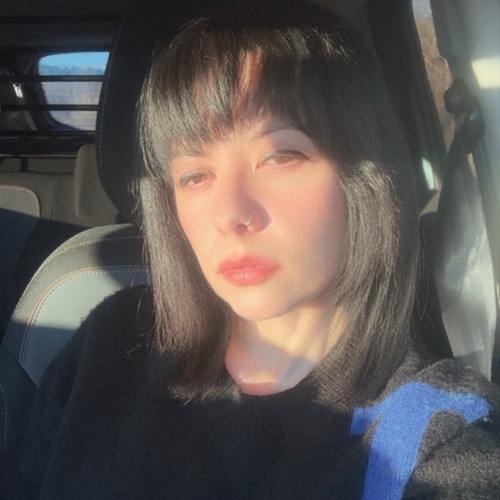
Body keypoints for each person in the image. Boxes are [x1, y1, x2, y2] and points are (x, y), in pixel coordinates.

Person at [3, 1, 500, 498]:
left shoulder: (434, 440)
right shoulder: (108, 345)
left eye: (279, 156)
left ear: (362, 177)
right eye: (195, 175)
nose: (230, 214)